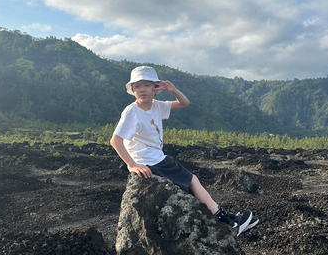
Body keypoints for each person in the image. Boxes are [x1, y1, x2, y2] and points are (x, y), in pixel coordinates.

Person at [110, 66, 259, 236]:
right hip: (151, 161)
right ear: (132, 90)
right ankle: (228, 222)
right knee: (192, 180)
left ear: (156, 89)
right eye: (137, 86)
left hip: (157, 158)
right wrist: (133, 164)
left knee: (189, 185)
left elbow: (184, 103)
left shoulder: (156, 106)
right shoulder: (132, 112)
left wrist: (173, 90)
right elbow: (115, 140)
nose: (142, 89)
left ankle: (223, 218)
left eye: (147, 85)